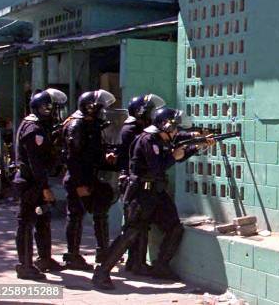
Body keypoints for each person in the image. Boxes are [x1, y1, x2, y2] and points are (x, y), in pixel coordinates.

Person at [92, 107, 215, 289]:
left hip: (156, 192)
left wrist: (196, 145)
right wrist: (174, 155)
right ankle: (102, 272)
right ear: (164, 126)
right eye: (174, 127)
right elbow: (159, 166)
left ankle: (161, 266)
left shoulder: (162, 138)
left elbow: (177, 152)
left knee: (174, 227)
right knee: (131, 233)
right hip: (141, 193)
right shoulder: (148, 140)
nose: (176, 131)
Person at [13, 88, 68, 279]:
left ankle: (44, 258)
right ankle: (25, 265)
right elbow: (35, 163)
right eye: (53, 109)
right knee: (26, 222)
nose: (55, 114)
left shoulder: (38, 126)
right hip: (30, 183)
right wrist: (44, 188)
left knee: (43, 220)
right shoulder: (33, 129)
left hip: (35, 181)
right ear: (44, 109)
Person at [61, 90, 117, 270]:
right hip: (79, 179)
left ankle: (103, 251)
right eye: (100, 108)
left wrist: (105, 157)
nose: (102, 112)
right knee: (76, 216)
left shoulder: (91, 124)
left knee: (101, 210)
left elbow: (92, 151)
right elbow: (73, 157)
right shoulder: (77, 125)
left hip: (91, 176)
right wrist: (79, 185)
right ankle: (72, 256)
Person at [118, 94, 165, 275]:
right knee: (136, 224)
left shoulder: (138, 129)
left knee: (140, 224)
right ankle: (134, 262)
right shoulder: (132, 130)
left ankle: (135, 262)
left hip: (135, 181)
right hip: (133, 182)